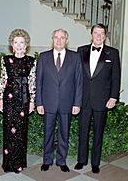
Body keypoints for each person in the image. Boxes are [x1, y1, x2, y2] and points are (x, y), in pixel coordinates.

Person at [74, 23, 120, 173]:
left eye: (102, 34)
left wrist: (113, 97)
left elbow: (116, 77)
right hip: (84, 99)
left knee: (98, 132)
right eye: (96, 33)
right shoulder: (81, 51)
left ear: (105, 36)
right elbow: (77, 76)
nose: (99, 36)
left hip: (102, 99)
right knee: (83, 131)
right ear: (91, 35)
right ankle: (81, 160)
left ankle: (95, 162)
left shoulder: (112, 53)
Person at [36, 29, 83, 172]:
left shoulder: (75, 57)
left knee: (64, 133)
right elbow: (38, 82)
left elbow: (79, 82)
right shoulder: (43, 57)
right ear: (52, 39)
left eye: (62, 38)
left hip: (67, 103)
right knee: (48, 133)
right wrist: (39, 102)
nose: (59, 40)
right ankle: (47, 160)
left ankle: (61, 161)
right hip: (48, 102)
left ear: (67, 40)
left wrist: (77, 103)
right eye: (56, 37)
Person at [0, 29, 36, 173]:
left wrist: (32, 101)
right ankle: (8, 163)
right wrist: (0, 99)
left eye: (22, 42)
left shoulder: (31, 61)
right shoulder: (6, 60)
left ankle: (19, 163)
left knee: (21, 132)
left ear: (26, 45)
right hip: (9, 99)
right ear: (12, 45)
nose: (19, 45)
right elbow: (3, 80)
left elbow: (32, 82)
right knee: (8, 131)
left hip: (24, 99)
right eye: (16, 42)